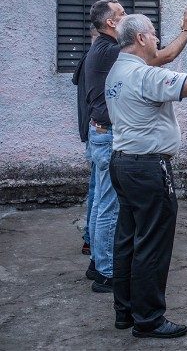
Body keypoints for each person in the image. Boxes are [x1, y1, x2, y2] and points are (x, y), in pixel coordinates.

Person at [106, 16, 187, 338]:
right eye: (153, 33)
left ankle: (125, 311)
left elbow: (167, 60)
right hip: (147, 167)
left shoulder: (118, 70)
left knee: (128, 240)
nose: (158, 37)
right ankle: (148, 319)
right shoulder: (141, 74)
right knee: (152, 244)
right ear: (141, 38)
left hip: (123, 162)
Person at [84, 0, 187, 293]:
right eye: (121, 14)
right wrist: (186, 32)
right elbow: (163, 58)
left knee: (102, 203)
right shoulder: (114, 52)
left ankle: (100, 264)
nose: (125, 16)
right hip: (119, 141)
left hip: (103, 133)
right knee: (115, 212)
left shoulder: (101, 50)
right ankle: (108, 272)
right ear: (111, 24)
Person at [73, 24, 99, 258]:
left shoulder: (88, 58)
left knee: (98, 188)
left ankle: (91, 239)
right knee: (100, 190)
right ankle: (92, 239)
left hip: (91, 130)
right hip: (97, 131)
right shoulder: (97, 60)